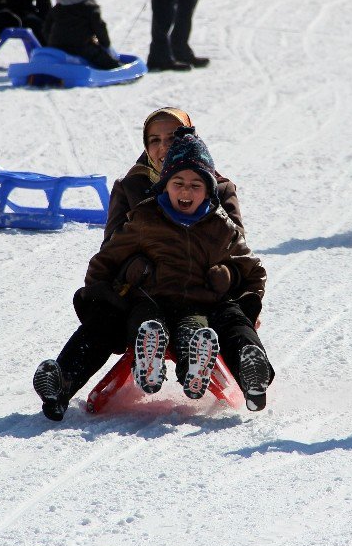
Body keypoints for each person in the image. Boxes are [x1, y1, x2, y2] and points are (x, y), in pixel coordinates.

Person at [32, 109, 273, 421]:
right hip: (144, 296)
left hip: (201, 295)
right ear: (145, 146)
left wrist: (228, 275)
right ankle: (61, 383)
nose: (163, 147)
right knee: (105, 320)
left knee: (229, 319)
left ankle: (252, 372)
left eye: (172, 138)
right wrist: (131, 269)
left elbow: (237, 250)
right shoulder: (131, 188)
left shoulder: (218, 187)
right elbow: (112, 251)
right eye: (154, 140)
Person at [42, 0, 121, 70]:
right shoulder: (90, 7)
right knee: (110, 64)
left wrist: (52, 43)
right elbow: (100, 28)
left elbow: (46, 29)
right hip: (81, 48)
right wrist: (105, 45)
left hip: (57, 47)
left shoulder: (57, 7)